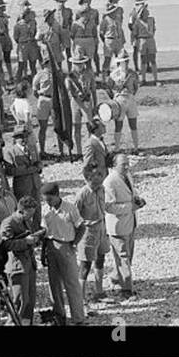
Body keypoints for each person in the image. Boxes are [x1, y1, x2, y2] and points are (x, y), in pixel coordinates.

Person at [40, 182, 87, 325]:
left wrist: (73, 244)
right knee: (54, 284)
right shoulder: (45, 209)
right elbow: (44, 231)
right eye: (45, 199)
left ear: (57, 195)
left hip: (66, 246)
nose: (47, 202)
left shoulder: (70, 209)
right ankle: (59, 316)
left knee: (72, 284)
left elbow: (81, 227)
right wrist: (43, 252)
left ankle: (78, 318)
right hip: (50, 246)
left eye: (50, 199)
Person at [103, 152, 143, 298]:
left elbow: (132, 192)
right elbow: (109, 207)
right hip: (118, 226)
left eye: (127, 163)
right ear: (114, 166)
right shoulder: (109, 182)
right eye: (123, 164)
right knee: (123, 257)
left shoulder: (127, 175)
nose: (127, 166)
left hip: (130, 222)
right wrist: (130, 207)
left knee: (128, 255)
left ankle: (115, 277)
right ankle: (126, 289)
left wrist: (138, 200)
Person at [1, 196, 45, 325]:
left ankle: (26, 323)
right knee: (19, 301)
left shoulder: (25, 220)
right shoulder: (8, 223)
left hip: (29, 264)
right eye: (29, 214)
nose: (31, 217)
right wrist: (25, 242)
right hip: (17, 266)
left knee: (29, 300)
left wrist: (35, 239)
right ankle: (12, 323)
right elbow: (6, 245)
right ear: (21, 211)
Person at [75, 162, 110, 306]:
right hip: (88, 232)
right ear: (88, 177)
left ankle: (99, 291)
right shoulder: (82, 194)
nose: (101, 177)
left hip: (101, 228)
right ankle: (80, 299)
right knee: (85, 265)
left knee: (101, 258)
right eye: (97, 174)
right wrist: (85, 224)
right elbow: (74, 215)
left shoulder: (102, 189)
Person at [107, 51, 141, 154]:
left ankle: (136, 147)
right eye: (122, 61)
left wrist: (131, 94)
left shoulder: (132, 73)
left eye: (126, 61)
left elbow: (136, 87)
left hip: (130, 98)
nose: (124, 63)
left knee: (133, 124)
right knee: (118, 125)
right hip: (119, 99)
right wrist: (114, 97)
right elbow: (108, 87)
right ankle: (117, 148)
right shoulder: (114, 74)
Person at [65, 52, 98, 157]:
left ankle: (90, 149)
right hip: (75, 102)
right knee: (77, 126)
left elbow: (93, 89)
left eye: (81, 63)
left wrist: (95, 104)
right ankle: (79, 151)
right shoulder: (70, 76)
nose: (79, 66)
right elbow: (69, 91)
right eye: (76, 63)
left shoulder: (89, 73)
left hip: (87, 101)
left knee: (90, 127)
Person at [4, 130, 42, 205]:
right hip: (22, 188)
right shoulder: (10, 151)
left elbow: (38, 162)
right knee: (24, 210)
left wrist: (40, 167)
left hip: (35, 185)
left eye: (26, 136)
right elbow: (9, 171)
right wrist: (30, 169)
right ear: (15, 139)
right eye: (21, 137)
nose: (24, 139)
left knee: (37, 210)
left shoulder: (32, 148)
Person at [129, 0, 159, 85]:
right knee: (143, 59)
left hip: (149, 39)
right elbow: (132, 27)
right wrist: (135, 39)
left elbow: (153, 29)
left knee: (152, 59)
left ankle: (155, 78)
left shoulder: (151, 19)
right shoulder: (134, 15)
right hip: (141, 39)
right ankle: (143, 78)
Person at [99, 0, 127, 69]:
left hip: (118, 39)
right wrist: (105, 41)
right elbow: (101, 32)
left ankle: (120, 73)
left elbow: (120, 26)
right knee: (107, 59)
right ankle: (105, 74)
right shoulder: (105, 20)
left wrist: (122, 38)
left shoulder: (119, 12)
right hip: (109, 39)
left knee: (121, 58)